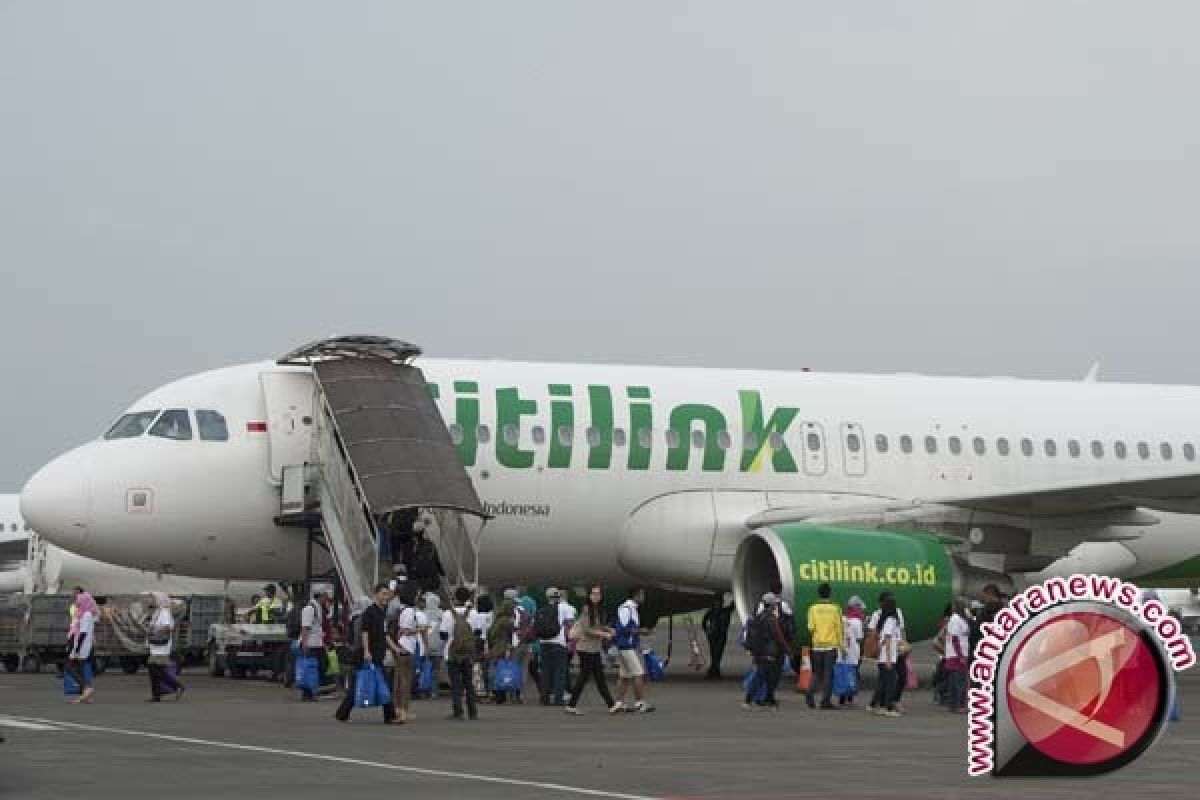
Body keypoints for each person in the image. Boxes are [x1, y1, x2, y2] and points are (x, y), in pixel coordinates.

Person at [335, 584, 397, 724]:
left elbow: (384, 633)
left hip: (378, 653)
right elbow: (365, 632)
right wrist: (367, 651)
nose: (385, 597)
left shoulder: (382, 612)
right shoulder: (370, 612)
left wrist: (395, 649)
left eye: (387, 594)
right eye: (382, 593)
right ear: (376, 595)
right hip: (369, 654)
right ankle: (390, 716)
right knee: (384, 684)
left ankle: (342, 713)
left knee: (359, 684)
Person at [566, 585, 617, 715]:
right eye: (593, 594)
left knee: (598, 678)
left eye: (598, 594)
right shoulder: (586, 609)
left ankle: (611, 705)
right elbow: (587, 630)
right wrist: (604, 634)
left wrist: (609, 629)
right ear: (589, 596)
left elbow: (598, 625)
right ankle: (571, 705)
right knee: (585, 677)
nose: (596, 596)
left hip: (594, 649)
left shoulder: (598, 609)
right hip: (585, 648)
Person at [742, 592, 791, 711]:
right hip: (769, 653)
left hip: (759, 652)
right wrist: (787, 649)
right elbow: (778, 636)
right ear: (772, 605)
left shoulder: (758, 617)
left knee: (764, 677)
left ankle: (766, 701)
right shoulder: (771, 619)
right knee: (768, 678)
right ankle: (756, 701)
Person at [612, 586, 654, 713]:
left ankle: (619, 702)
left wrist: (638, 642)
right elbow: (623, 629)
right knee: (638, 673)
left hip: (626, 646)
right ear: (636, 595)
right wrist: (642, 631)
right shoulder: (626, 608)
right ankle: (639, 703)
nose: (643, 597)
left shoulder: (631, 608)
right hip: (626, 647)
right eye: (642, 594)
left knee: (624, 676)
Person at [440, 586, 479, 721]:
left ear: (455, 598)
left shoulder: (447, 614)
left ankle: (458, 711)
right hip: (468, 653)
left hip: (452, 653)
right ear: (468, 598)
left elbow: (443, 635)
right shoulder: (473, 613)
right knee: (469, 683)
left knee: (456, 684)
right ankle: (473, 711)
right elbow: (477, 633)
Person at [867, 591, 908, 711]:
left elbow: (901, 630)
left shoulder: (896, 614)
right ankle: (886, 704)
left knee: (899, 676)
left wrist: (904, 645)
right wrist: (882, 642)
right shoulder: (880, 616)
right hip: (888, 652)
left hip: (896, 649)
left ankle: (879, 703)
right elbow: (876, 633)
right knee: (888, 680)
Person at [386, 584, 421, 723]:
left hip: (402, 647)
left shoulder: (401, 610)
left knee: (399, 680)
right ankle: (403, 711)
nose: (418, 597)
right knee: (404, 681)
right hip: (405, 647)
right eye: (417, 595)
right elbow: (405, 630)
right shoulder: (408, 611)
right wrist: (419, 629)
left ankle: (398, 709)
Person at [806, 582, 842, 710]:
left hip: (817, 645)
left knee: (816, 673)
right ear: (830, 593)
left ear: (819, 593)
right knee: (828, 674)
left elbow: (810, 627)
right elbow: (839, 629)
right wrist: (841, 646)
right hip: (830, 645)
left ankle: (809, 693)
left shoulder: (813, 608)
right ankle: (825, 701)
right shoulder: (835, 609)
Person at [535, 588, 573, 706]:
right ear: (559, 596)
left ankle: (544, 698)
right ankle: (558, 699)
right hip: (559, 643)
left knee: (545, 671)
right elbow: (570, 624)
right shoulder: (565, 608)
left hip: (544, 643)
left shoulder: (542, 609)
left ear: (547, 597)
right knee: (559, 672)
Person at [146, 592, 184, 702]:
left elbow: (168, 627)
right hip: (155, 645)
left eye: (154, 599)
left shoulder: (164, 612)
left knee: (155, 669)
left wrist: (154, 630)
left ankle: (176, 686)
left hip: (161, 645)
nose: (152, 601)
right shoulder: (157, 612)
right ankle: (157, 695)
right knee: (155, 670)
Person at [65, 587, 98, 704]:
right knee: (79, 668)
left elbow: (83, 632)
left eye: (79, 601)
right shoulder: (84, 613)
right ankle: (85, 695)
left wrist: (77, 649)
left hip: (82, 645)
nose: (78, 602)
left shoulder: (87, 615)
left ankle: (86, 687)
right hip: (81, 644)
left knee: (69, 667)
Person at [298, 589, 328, 702]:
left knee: (316, 668)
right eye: (325, 596)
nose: (326, 598)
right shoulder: (309, 609)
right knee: (309, 669)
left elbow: (317, 628)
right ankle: (307, 694)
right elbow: (305, 627)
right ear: (320, 596)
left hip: (317, 643)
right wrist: (305, 644)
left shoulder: (318, 607)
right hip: (310, 644)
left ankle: (312, 692)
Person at [488, 594, 517, 703]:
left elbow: (490, 634)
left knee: (495, 671)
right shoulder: (506, 620)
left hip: (495, 647)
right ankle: (501, 696)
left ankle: (494, 694)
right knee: (502, 672)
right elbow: (513, 632)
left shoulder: (497, 619)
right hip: (502, 648)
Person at [944, 598, 971, 713]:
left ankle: (956, 704)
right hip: (956, 654)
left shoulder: (962, 619)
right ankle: (957, 705)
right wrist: (960, 655)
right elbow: (955, 638)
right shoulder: (955, 620)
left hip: (962, 653)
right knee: (958, 681)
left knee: (959, 680)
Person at [836, 596, 865, 706]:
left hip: (842, 651)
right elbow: (859, 638)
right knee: (853, 673)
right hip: (853, 653)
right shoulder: (857, 621)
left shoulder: (842, 618)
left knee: (842, 673)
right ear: (856, 607)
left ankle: (841, 696)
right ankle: (850, 695)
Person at [471, 593, 495, 700]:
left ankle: (479, 691)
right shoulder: (492, 615)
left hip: (478, 642)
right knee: (488, 668)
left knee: (477, 667)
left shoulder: (476, 615)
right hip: (490, 643)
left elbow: (476, 630)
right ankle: (490, 691)